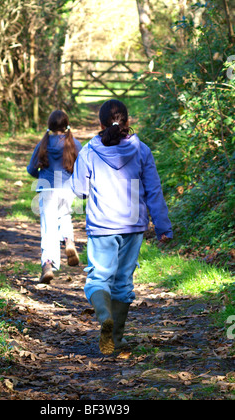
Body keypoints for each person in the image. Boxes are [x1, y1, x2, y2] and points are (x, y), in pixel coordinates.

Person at [70, 99, 173, 355]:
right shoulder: (142, 150)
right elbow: (153, 191)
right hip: (133, 224)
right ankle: (114, 340)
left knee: (98, 278)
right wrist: (163, 226)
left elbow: (80, 190)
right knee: (123, 283)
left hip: (102, 224)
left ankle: (104, 315)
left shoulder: (90, 152)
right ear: (127, 121)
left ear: (101, 124)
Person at [27, 110, 82, 283]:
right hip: (66, 189)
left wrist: (42, 177)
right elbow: (82, 168)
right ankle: (69, 240)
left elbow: (31, 169)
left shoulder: (43, 144)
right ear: (66, 125)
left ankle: (48, 265)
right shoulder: (74, 143)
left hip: (47, 189)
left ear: (49, 126)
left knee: (48, 227)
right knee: (65, 216)